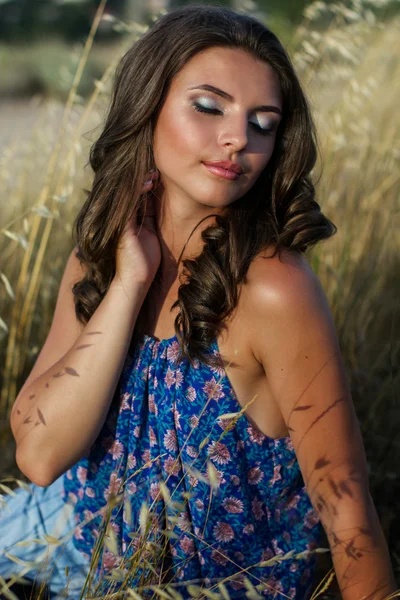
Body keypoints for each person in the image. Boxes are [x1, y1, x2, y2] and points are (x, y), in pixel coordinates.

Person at [1, 4, 397, 599]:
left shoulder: (273, 288)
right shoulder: (104, 256)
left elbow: (345, 507)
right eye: (209, 107)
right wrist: (130, 283)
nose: (239, 137)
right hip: (76, 530)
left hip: (209, 586)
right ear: (147, 108)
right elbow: (38, 454)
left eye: (263, 123)